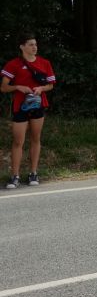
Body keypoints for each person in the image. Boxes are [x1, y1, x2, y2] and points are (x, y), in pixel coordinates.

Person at [1, 33, 56, 188]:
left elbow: (51, 85)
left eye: (35, 44)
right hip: (20, 106)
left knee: (35, 139)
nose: (34, 47)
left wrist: (41, 88)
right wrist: (18, 87)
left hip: (38, 104)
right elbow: (4, 87)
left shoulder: (45, 63)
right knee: (18, 141)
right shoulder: (13, 64)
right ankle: (15, 176)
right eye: (31, 44)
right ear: (22, 46)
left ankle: (33, 173)